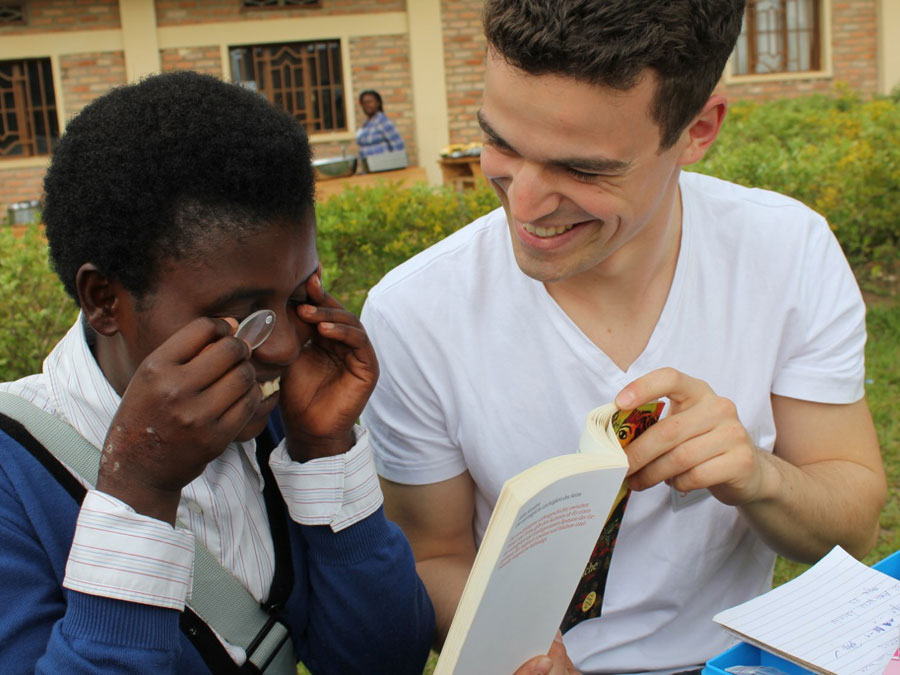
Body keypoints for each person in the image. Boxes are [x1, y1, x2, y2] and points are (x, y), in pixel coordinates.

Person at [359, 1, 887, 673]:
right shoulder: (416, 312)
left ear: (697, 130)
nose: (523, 204)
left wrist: (759, 476)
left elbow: (851, 523)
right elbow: (433, 553)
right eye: (500, 144)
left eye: (582, 169)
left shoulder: (788, 253)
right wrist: (516, 651)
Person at [0, 71, 434, 674]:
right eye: (243, 314)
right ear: (104, 299)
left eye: (297, 298)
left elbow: (383, 661)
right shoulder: (14, 476)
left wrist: (325, 451)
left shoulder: (276, 429)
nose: (283, 346)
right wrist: (141, 494)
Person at [355, 89, 406, 161]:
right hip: (370, 168)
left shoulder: (382, 121)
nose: (366, 105)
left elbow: (398, 144)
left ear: (378, 103)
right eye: (363, 103)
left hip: (383, 165)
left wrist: (398, 163)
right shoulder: (366, 124)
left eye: (370, 102)